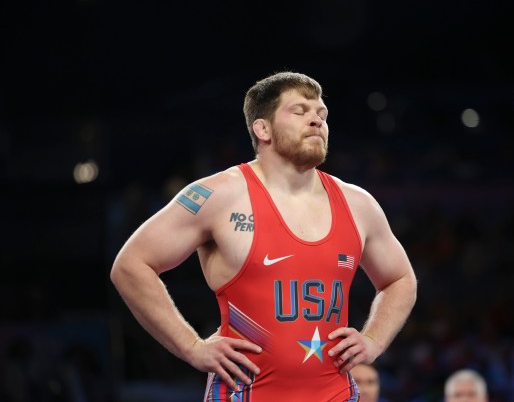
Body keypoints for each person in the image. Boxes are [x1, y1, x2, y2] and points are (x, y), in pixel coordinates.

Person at [110, 71, 417, 401]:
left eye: (321, 114)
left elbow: (400, 278)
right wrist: (191, 347)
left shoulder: (358, 204)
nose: (316, 120)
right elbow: (130, 266)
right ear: (263, 128)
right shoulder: (219, 196)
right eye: (300, 111)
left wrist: (374, 340)